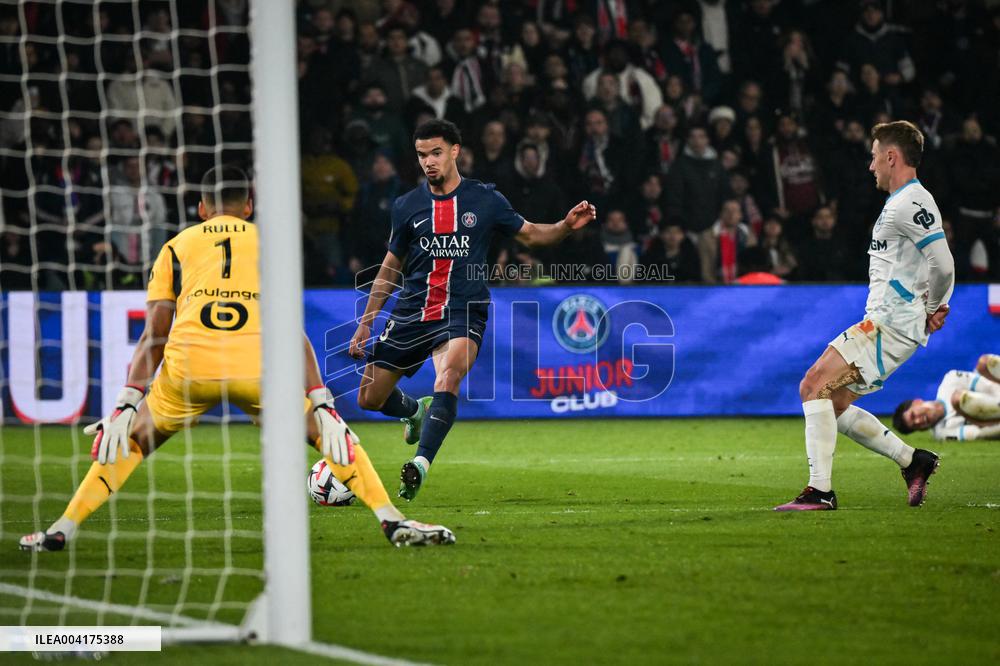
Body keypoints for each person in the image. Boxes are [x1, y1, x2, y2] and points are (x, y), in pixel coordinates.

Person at [19, 166, 455, 551]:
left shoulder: (176, 246)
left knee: (130, 441)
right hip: (257, 367)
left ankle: (63, 528)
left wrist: (127, 402)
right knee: (332, 438)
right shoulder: (270, 243)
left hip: (190, 366)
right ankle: (391, 520)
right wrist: (321, 402)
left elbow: (155, 334)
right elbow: (290, 330)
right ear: (248, 206)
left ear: (202, 208)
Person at [348, 119, 596, 501]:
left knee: (448, 375)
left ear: (454, 151)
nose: (428, 162)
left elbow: (531, 233)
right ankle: (415, 412)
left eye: (435, 153)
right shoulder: (407, 206)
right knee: (369, 398)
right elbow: (389, 268)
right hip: (414, 310)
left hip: (464, 309)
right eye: (421, 155)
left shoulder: (485, 200)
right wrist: (366, 323)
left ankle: (420, 464)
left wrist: (565, 225)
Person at [775, 121, 955, 511]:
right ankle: (913, 461)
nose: (871, 165)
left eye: (874, 156)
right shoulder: (903, 202)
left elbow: (942, 262)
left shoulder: (911, 202)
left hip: (890, 324)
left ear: (891, 156)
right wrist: (931, 306)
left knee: (812, 387)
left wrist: (934, 306)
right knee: (831, 404)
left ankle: (820, 491)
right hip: (890, 322)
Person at [893, 354, 1000, 441]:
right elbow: (980, 434)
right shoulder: (942, 433)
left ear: (917, 402)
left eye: (913, 415)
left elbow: (989, 386)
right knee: (959, 400)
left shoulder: (950, 380)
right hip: (995, 420)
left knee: (984, 363)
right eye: (915, 426)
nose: (918, 422)